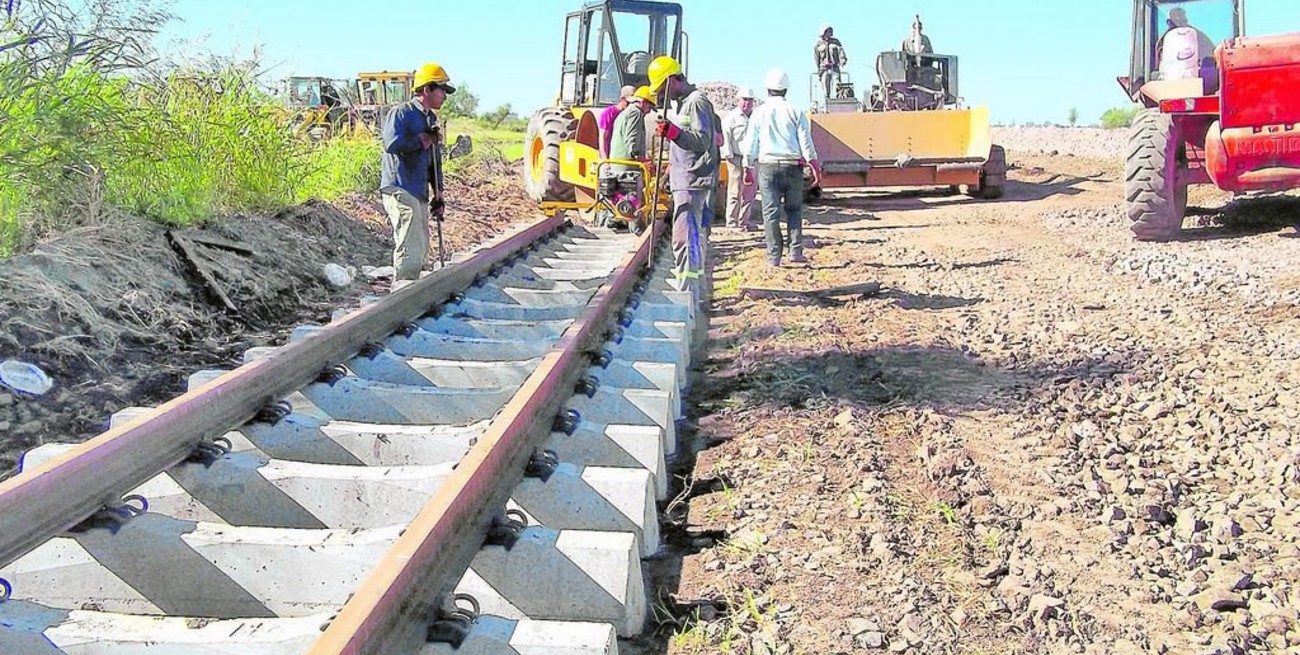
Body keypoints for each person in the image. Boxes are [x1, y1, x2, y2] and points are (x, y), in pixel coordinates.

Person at [648, 55, 718, 302]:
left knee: (684, 241)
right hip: (683, 179)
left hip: (692, 181)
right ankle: (694, 295)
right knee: (689, 240)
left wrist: (673, 132)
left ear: (671, 81)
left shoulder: (697, 102)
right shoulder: (684, 103)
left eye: (661, 89)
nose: (660, 96)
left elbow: (702, 141)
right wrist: (670, 170)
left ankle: (686, 296)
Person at [380, 62, 454, 282]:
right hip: (400, 187)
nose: (444, 96)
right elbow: (391, 144)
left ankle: (410, 287)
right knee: (411, 244)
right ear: (426, 89)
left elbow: (434, 161)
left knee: (421, 245)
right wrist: (421, 140)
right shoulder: (402, 113)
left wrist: (438, 193)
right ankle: (403, 292)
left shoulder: (428, 119)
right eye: (441, 90)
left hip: (417, 189)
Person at [743, 68, 821, 268]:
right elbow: (806, 144)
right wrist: (814, 166)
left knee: (771, 213)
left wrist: (747, 166)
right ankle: (795, 252)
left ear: (767, 89)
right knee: (794, 211)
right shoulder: (796, 111)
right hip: (792, 166)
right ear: (786, 89)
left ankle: (774, 257)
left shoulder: (758, 113)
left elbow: (750, 144)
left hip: (768, 167)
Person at [721, 88, 758, 230]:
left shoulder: (756, 117)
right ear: (738, 100)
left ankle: (744, 221)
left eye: (749, 100)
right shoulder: (732, 117)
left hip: (752, 160)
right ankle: (731, 223)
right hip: (736, 159)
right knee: (735, 191)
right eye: (744, 99)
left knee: (749, 193)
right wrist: (728, 155)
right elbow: (726, 137)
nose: (746, 103)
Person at [1156, 7, 1216, 81]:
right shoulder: (1162, 43)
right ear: (1168, 22)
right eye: (1175, 20)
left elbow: (1211, 60)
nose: (1179, 23)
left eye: (1181, 19)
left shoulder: (1201, 38)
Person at [609, 86, 655, 169]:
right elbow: (632, 141)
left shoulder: (625, 113)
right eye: (650, 107)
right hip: (627, 169)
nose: (649, 111)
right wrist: (642, 160)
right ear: (643, 102)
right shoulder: (636, 113)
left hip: (618, 165)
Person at [598, 85, 637, 159]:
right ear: (622, 99)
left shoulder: (631, 114)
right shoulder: (608, 113)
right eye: (629, 102)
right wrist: (605, 158)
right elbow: (602, 137)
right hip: (609, 156)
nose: (631, 105)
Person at [813, 24, 848, 101]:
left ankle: (839, 100)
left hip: (834, 67)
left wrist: (843, 60)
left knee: (837, 84)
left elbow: (840, 51)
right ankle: (827, 101)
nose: (829, 33)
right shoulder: (818, 44)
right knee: (825, 86)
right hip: (824, 69)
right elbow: (816, 58)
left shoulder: (835, 42)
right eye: (827, 31)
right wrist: (819, 70)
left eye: (830, 31)